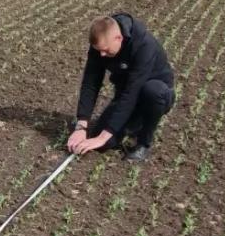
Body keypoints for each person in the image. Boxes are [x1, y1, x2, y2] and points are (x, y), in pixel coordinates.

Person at [67, 13, 175, 162]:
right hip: (125, 93)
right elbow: (90, 82)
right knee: (103, 143)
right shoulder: (101, 42)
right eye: (99, 50)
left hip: (154, 95)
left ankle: (143, 142)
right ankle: (133, 123)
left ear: (119, 38)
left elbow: (132, 92)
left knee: (153, 91)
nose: (101, 55)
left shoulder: (144, 45)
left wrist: (103, 136)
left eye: (106, 50)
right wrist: (81, 126)